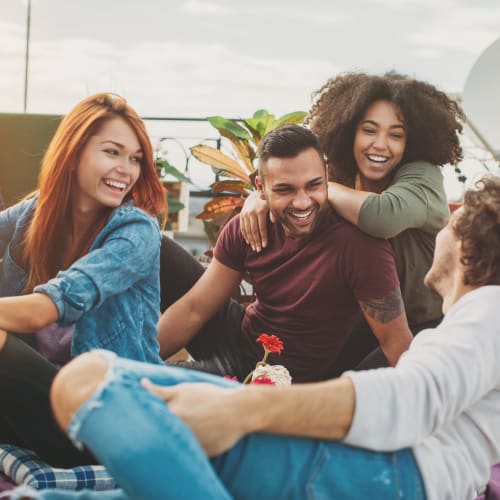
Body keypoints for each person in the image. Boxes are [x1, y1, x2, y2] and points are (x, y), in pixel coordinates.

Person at [26, 174, 498, 500]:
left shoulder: (490, 308)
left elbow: (412, 399)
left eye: (454, 217)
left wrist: (239, 408)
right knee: (91, 378)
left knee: (87, 384)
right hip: (376, 469)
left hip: (382, 474)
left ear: (468, 241)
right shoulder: (473, 323)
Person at [240, 71, 464, 373]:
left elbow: (380, 216)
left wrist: (308, 189)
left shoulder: (423, 177)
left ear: (411, 141)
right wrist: (261, 197)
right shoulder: (342, 175)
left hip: (423, 327)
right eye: (369, 130)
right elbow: (292, 195)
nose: (380, 145)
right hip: (359, 323)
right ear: (349, 131)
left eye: (396, 135)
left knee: (355, 391)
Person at [158, 124, 412, 383]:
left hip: (277, 379)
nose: (302, 202)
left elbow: (396, 344)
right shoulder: (250, 226)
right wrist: (138, 362)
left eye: (313, 185)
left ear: (326, 176)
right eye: (284, 189)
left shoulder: (359, 245)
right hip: (240, 334)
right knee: (155, 246)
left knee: (156, 387)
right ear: (261, 187)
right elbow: (195, 308)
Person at [0, 92, 166, 467]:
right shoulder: (37, 214)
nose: (127, 169)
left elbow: (44, 310)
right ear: (73, 153)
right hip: (38, 410)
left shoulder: (136, 233)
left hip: (107, 418)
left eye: (136, 159)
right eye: (112, 152)